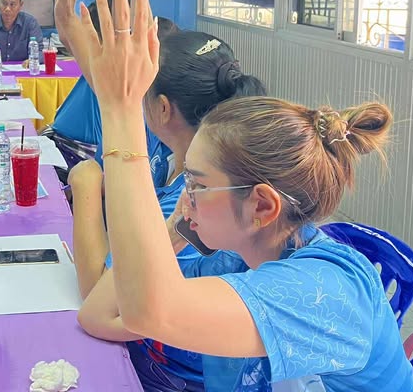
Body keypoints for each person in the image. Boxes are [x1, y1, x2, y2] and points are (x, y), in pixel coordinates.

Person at [56, 0, 413, 391]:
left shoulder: (320, 292)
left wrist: (120, 108)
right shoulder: (237, 254)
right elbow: (98, 312)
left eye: (196, 184)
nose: (183, 197)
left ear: (261, 206)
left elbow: (149, 311)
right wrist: (177, 229)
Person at [68, 28, 266, 390]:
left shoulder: (198, 203)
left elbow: (99, 296)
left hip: (174, 375)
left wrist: (85, 188)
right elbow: (114, 98)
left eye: (141, 93)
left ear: (162, 108)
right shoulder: (174, 152)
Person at [49, 0, 170, 173]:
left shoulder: (120, 82)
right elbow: (67, 32)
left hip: (76, 156)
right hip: (62, 147)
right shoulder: (106, 70)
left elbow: (130, 32)